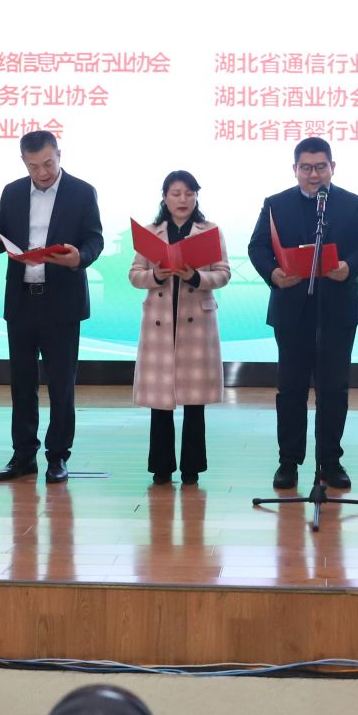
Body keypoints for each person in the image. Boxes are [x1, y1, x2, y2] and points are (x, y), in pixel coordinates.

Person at [246, 136, 358, 492]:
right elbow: (258, 246)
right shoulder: (275, 204)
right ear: (295, 169)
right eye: (306, 167)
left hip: (337, 309)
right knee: (291, 389)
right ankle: (288, 462)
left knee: (333, 389)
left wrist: (349, 267)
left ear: (332, 167)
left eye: (321, 166)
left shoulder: (352, 203)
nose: (314, 174)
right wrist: (273, 273)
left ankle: (330, 461)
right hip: (292, 309)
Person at [0, 130, 104, 484]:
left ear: (59, 155)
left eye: (48, 163)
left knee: (61, 385)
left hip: (61, 300)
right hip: (21, 299)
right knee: (21, 384)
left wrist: (80, 257)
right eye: (34, 166)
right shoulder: (12, 191)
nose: (43, 172)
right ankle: (23, 455)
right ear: (23, 162)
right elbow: (3, 236)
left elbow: (94, 239)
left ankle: (58, 455)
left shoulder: (82, 192)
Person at [128, 170, 232, 486]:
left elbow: (224, 273)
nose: (182, 200)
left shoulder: (209, 231)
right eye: (175, 194)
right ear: (165, 197)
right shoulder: (151, 233)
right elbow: (134, 274)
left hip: (196, 322)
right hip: (160, 322)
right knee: (160, 401)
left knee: (194, 401)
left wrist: (195, 277)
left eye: (189, 193)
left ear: (196, 196)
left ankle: (192, 468)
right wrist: (155, 275)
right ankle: (161, 467)